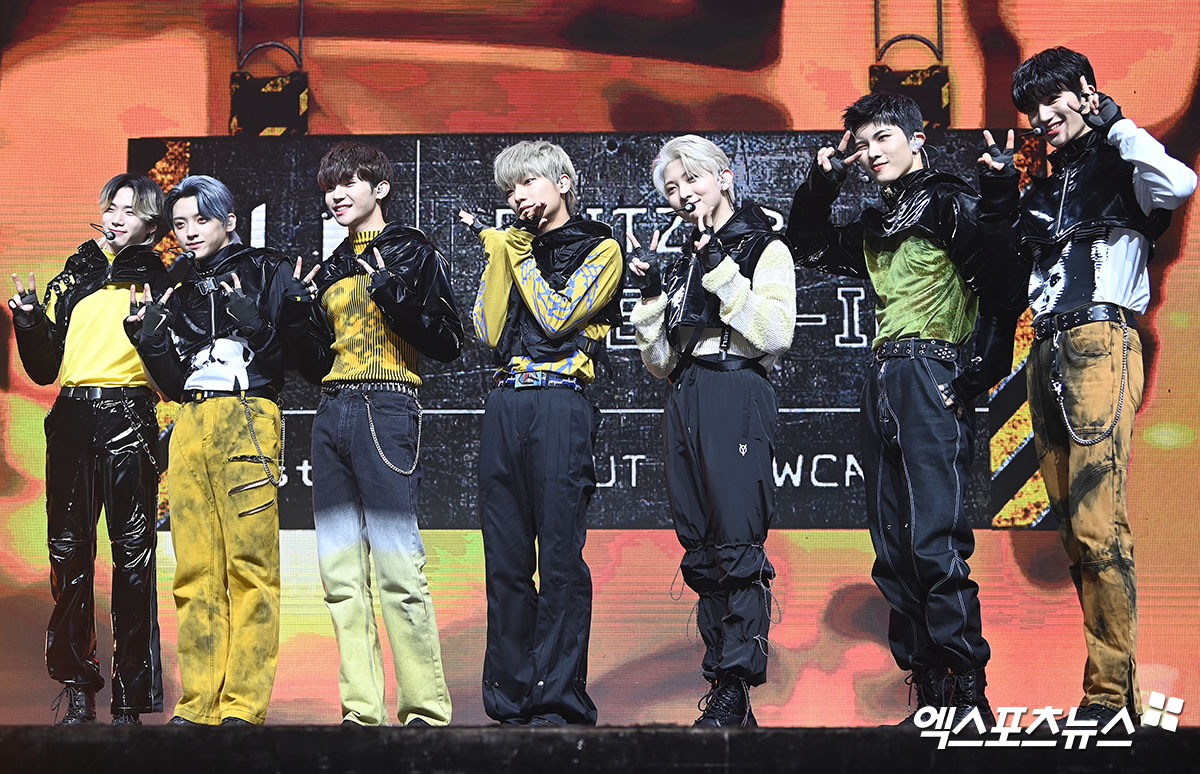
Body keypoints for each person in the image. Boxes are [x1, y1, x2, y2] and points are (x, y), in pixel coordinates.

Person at [787, 93, 1028, 726]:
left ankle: (968, 695)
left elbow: (1005, 282)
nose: (872, 153)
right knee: (892, 546)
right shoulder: (876, 219)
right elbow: (805, 244)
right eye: (863, 143)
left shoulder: (949, 201)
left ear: (917, 139)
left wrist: (977, 376)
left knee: (934, 539)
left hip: (931, 369)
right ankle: (930, 694)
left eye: (884, 137)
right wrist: (823, 181)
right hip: (882, 376)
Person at [983, 47, 1197, 724]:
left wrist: (1118, 125)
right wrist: (1000, 198)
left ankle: (1109, 697)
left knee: (1099, 522)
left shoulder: (1125, 165)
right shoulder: (1044, 189)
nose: (1042, 116)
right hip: (1044, 350)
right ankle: (1110, 695)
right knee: (1075, 529)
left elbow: (1180, 183)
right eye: (1032, 107)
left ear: (1087, 92)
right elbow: (1009, 277)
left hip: (1101, 341)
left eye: (1054, 99)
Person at [279, 141, 461, 727]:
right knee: (338, 575)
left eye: (348, 183)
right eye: (329, 187)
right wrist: (298, 318)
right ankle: (361, 712)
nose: (335, 195)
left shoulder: (411, 250)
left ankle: (425, 711)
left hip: (386, 404)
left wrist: (390, 292)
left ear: (380, 189)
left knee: (398, 568)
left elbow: (449, 341)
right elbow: (315, 366)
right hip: (331, 410)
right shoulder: (330, 265)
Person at [627, 134, 796, 727]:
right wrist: (652, 297)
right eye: (671, 188)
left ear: (724, 176)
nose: (682, 194)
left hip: (736, 387)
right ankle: (723, 685)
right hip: (686, 392)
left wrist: (721, 268)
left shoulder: (765, 246)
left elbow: (774, 333)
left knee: (736, 540)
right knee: (699, 545)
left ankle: (737, 686)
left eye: (692, 179)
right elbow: (660, 362)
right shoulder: (681, 261)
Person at [463, 139, 623, 726]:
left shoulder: (601, 246)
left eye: (527, 182)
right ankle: (509, 699)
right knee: (504, 562)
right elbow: (488, 329)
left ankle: (557, 699)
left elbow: (557, 318)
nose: (517, 197)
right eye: (509, 190)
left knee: (558, 559)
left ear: (562, 182)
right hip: (505, 400)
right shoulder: (514, 246)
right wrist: (502, 259)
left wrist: (521, 257)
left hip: (560, 399)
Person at [127, 174, 293, 726]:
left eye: (201, 220)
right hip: (190, 420)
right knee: (194, 570)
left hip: (247, 415)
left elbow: (293, 358)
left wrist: (256, 323)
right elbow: (175, 384)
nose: (189, 232)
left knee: (251, 566)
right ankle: (198, 702)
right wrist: (149, 341)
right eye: (179, 224)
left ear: (230, 221)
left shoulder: (268, 269)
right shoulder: (177, 287)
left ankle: (243, 705)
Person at [9, 174, 169, 725]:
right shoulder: (74, 273)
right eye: (111, 208)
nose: (117, 218)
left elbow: (169, 365)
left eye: (132, 210)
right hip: (73, 417)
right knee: (68, 554)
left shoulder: (159, 281)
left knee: (133, 558)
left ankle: (130, 699)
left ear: (152, 224)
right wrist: (29, 320)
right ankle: (78, 685)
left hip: (129, 415)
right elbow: (44, 368)